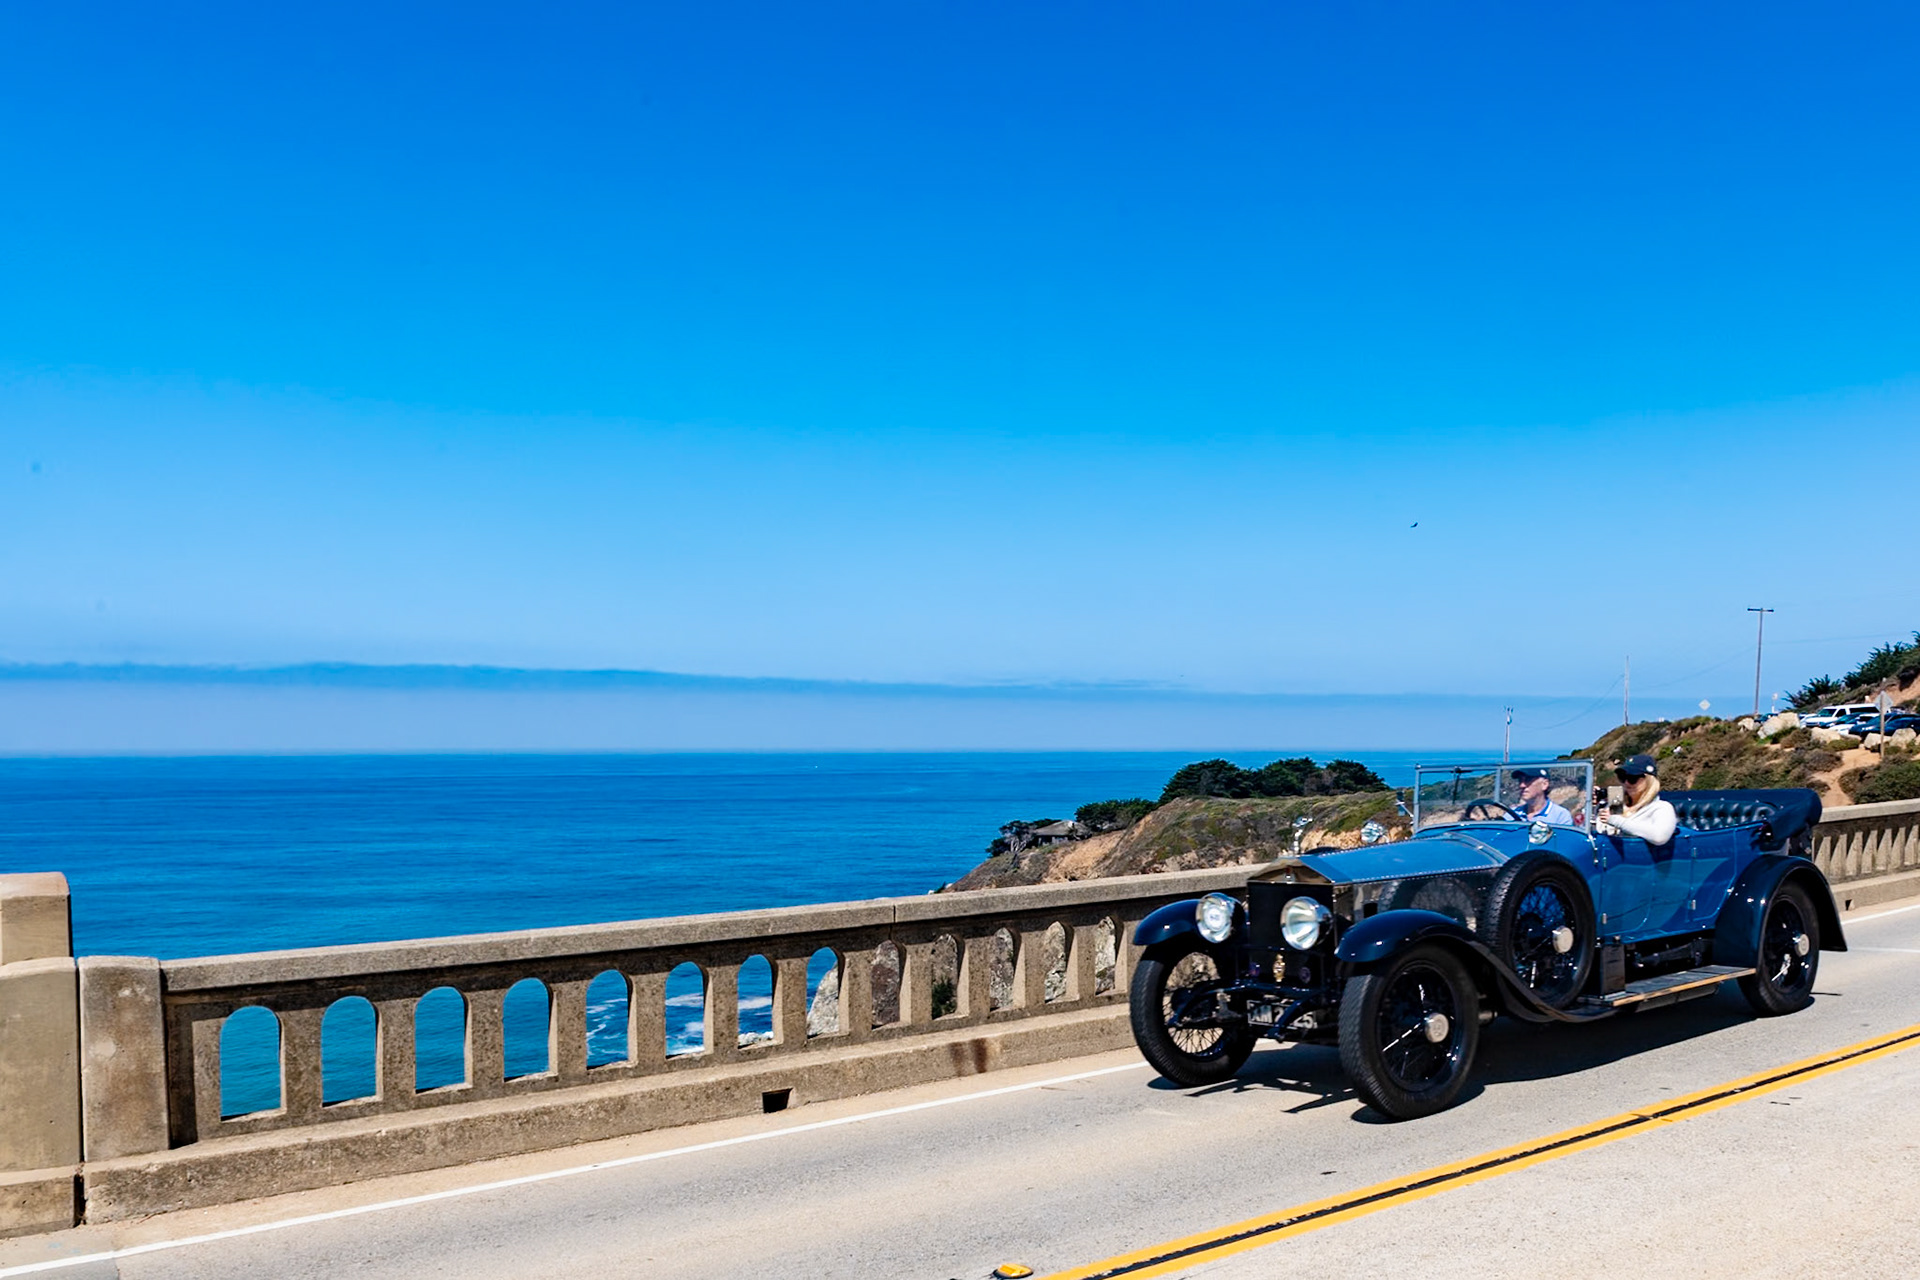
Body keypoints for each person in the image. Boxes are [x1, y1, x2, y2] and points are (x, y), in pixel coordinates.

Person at [1595, 754, 1677, 844]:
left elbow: (1659, 837)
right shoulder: (1617, 801)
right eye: (1622, 777)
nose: (1626, 783)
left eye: (1632, 778)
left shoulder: (1661, 807)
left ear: (1649, 780)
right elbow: (1602, 830)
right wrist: (1591, 805)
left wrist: (1615, 820)